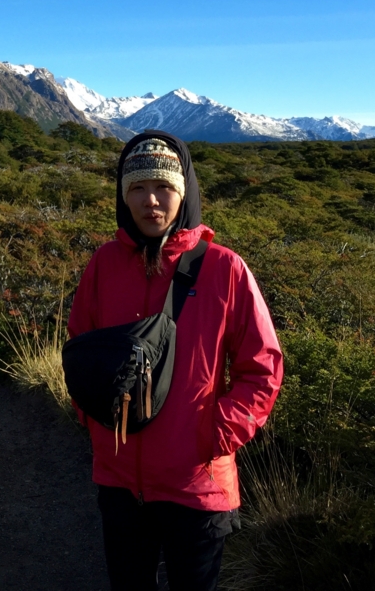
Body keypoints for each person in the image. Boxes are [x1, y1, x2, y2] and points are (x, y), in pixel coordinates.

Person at [68, 131, 283, 591]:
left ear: (184, 191)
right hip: (120, 478)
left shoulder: (224, 269)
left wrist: (215, 434)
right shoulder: (103, 265)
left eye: (164, 187)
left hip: (198, 483)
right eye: (138, 189)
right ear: (123, 197)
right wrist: (92, 419)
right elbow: (80, 349)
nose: (151, 201)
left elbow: (262, 369)